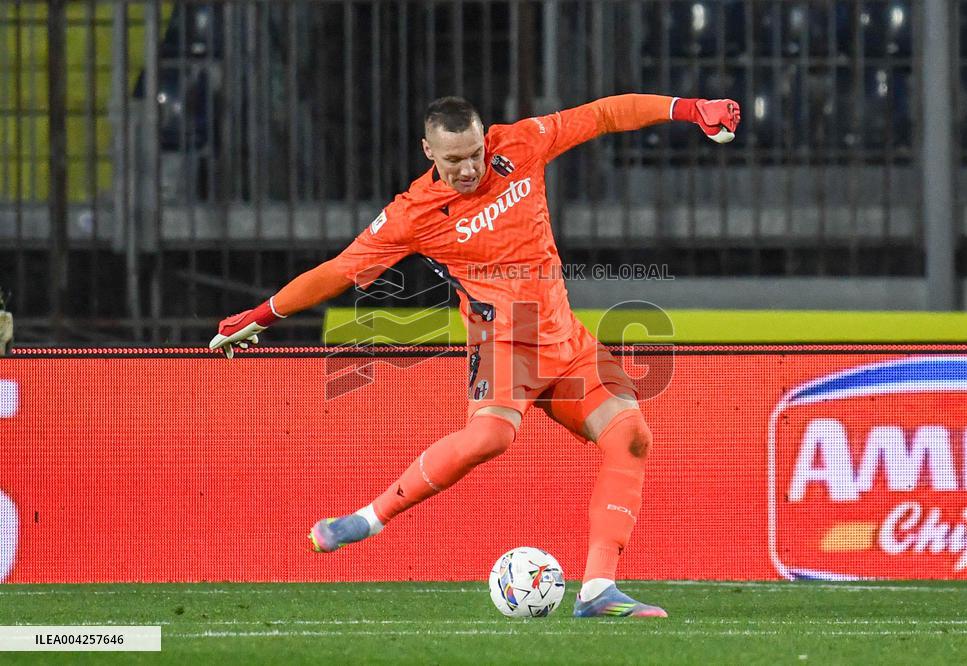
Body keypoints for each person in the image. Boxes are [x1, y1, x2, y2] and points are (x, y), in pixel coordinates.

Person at [210, 93, 740, 618]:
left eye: (474, 153)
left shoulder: (522, 144)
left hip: (562, 331)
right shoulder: (413, 214)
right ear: (427, 152)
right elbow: (338, 271)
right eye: (453, 159)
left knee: (632, 436)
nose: (468, 168)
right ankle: (368, 519)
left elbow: (601, 115)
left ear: (486, 139)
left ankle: (597, 589)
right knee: (490, 435)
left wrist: (688, 108)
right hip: (507, 339)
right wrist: (259, 316)